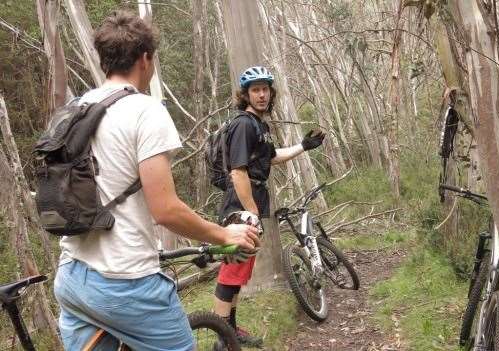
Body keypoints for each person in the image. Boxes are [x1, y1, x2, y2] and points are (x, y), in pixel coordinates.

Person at [52, 11, 260, 351]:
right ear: (146, 58)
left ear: (104, 59)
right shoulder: (144, 110)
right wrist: (224, 234)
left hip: (73, 276)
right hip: (126, 283)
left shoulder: (75, 109)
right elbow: (165, 210)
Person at [212, 66, 325, 349]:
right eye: (255, 90)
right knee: (231, 271)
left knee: (240, 270)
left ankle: (230, 329)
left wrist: (303, 146)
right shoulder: (243, 124)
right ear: (246, 94)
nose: (261, 95)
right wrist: (251, 213)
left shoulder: (259, 126)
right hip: (240, 207)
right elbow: (238, 173)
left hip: (252, 202)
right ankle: (222, 339)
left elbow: (272, 157)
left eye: (265, 90)